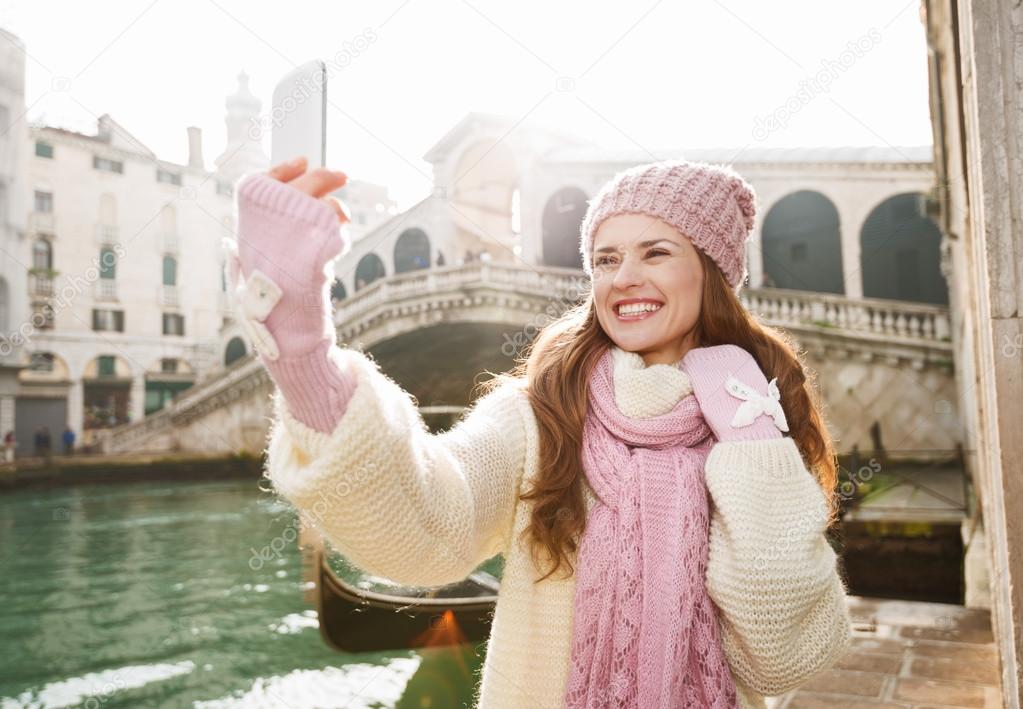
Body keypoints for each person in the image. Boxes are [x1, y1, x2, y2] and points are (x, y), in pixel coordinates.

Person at [225, 157, 852, 708]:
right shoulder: (539, 415)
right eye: (606, 259)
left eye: (656, 252)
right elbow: (424, 529)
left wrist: (751, 439)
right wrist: (303, 351)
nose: (623, 277)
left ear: (712, 272)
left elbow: (782, 657)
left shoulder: (755, 417)